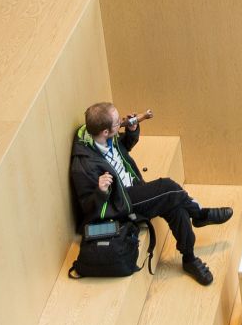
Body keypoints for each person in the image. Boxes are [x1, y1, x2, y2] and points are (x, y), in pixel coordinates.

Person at [69, 99, 232, 287]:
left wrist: (132, 132)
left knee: (176, 207)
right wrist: (100, 191)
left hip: (134, 189)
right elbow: (88, 207)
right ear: (105, 131)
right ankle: (200, 214)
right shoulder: (83, 166)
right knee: (168, 187)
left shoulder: (104, 137)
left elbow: (123, 149)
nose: (122, 122)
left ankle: (189, 258)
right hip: (119, 206)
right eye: (117, 123)